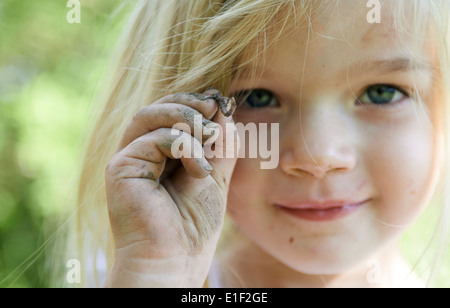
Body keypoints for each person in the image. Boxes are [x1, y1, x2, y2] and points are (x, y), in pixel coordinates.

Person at [73, 0, 450, 287]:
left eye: (382, 92)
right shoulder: (134, 274)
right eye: (256, 98)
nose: (317, 155)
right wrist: (157, 273)